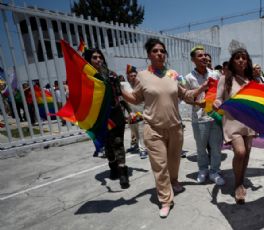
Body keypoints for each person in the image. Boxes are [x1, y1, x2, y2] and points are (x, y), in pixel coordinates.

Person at [121, 38, 208, 218]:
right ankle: (165, 199)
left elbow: (185, 94)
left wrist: (201, 91)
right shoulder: (142, 76)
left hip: (175, 127)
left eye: (162, 51)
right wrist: (120, 92)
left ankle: (174, 181)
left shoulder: (173, 74)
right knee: (160, 166)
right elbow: (136, 98)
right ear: (149, 55)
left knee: (174, 161)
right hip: (153, 129)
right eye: (155, 51)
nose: (160, 54)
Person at [213, 48, 257, 204]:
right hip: (232, 123)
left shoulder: (251, 80)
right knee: (240, 152)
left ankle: (241, 180)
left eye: (244, 58)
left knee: (246, 154)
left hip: (249, 123)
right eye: (237, 57)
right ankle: (237, 184)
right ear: (232, 61)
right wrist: (216, 104)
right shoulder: (225, 79)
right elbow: (219, 98)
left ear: (247, 61)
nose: (240, 60)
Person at [83, 48, 130, 189]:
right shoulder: (86, 78)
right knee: (108, 144)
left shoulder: (112, 75)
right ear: (88, 60)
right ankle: (113, 166)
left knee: (118, 142)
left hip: (115, 114)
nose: (98, 60)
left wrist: (129, 111)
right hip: (100, 116)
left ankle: (123, 172)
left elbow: (120, 95)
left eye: (100, 57)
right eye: (94, 57)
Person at [184, 46, 225, 185]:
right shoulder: (189, 78)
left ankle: (215, 171)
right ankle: (202, 170)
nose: (204, 58)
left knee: (216, 147)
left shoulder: (215, 75)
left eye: (205, 55)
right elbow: (186, 98)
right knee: (201, 148)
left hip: (215, 116)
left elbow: (222, 93)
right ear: (193, 59)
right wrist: (197, 102)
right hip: (199, 118)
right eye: (200, 56)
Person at [124, 66, 148, 159]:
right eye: (131, 75)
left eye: (135, 75)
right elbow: (122, 100)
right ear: (128, 77)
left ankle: (143, 150)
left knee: (141, 132)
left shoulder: (141, 85)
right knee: (134, 132)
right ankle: (138, 145)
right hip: (130, 114)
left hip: (141, 112)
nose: (133, 77)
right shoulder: (124, 86)